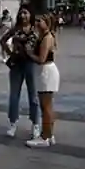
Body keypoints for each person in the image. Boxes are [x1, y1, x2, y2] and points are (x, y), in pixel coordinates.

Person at [0, 6, 40, 140]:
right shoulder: (15, 29)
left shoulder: (35, 29)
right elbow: (2, 40)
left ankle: (35, 124)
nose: (23, 16)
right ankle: (12, 123)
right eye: (21, 13)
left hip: (30, 63)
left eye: (26, 13)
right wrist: (10, 53)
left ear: (31, 15)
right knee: (14, 95)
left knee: (33, 95)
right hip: (16, 64)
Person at [26, 14, 60, 148]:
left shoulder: (46, 38)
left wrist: (29, 53)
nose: (37, 23)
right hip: (45, 72)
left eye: (40, 21)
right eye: (37, 21)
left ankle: (45, 137)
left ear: (47, 22)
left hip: (46, 72)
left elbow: (41, 59)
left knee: (45, 106)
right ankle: (49, 134)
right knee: (47, 106)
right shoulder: (45, 36)